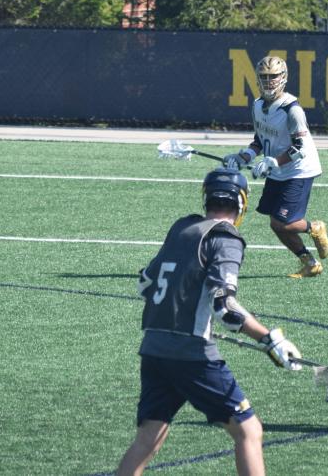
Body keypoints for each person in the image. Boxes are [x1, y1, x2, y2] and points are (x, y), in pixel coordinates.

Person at [117, 167, 303, 476]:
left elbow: (145, 283)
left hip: (153, 348)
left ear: (207, 197)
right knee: (249, 431)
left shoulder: (182, 227)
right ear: (241, 202)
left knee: (149, 437)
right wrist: (270, 338)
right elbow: (225, 308)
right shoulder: (225, 238)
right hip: (191, 355)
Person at [223, 55, 328, 279]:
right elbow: (260, 141)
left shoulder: (292, 109)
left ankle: (314, 227)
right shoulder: (257, 105)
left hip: (299, 169)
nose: (268, 81)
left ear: (284, 77)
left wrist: (273, 162)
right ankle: (310, 263)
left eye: (273, 76)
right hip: (277, 169)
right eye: (264, 77)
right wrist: (243, 157)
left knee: (285, 222)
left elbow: (300, 147)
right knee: (276, 223)